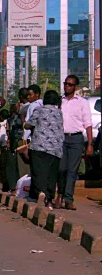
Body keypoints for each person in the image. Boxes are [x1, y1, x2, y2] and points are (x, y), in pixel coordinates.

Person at [57, 75, 93, 210]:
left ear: (75, 87)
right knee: (61, 169)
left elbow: (88, 124)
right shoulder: (60, 101)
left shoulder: (82, 102)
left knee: (72, 170)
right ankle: (59, 194)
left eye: (70, 84)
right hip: (61, 138)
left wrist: (90, 143)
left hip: (76, 139)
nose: (67, 86)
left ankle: (68, 198)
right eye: (65, 84)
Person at [24, 90, 64, 210]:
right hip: (55, 148)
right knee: (51, 174)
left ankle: (41, 192)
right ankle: (49, 199)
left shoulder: (39, 110)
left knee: (39, 172)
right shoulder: (59, 113)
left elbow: (28, 125)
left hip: (39, 147)